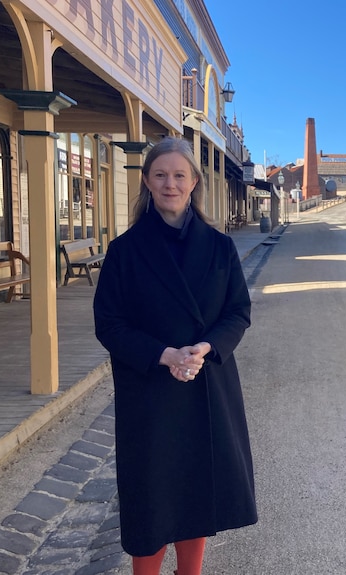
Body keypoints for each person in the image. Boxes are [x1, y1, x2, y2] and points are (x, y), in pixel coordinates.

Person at [93, 138, 257, 575]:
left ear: (194, 182)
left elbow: (237, 312)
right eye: (161, 175)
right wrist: (164, 355)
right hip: (148, 391)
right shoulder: (125, 251)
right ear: (147, 181)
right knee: (151, 501)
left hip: (206, 384)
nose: (170, 183)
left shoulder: (220, 248)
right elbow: (108, 323)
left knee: (194, 492)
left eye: (179, 175)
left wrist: (206, 348)